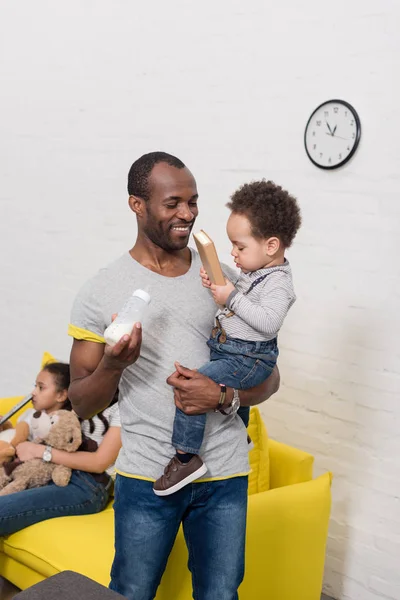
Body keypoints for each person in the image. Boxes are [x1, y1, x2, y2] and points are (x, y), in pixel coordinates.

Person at [68, 151, 280, 600]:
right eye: (173, 203)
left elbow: (270, 376)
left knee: (221, 594)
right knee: (131, 591)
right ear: (137, 205)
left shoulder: (221, 277)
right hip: (147, 476)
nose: (187, 213)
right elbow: (81, 403)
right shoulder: (100, 290)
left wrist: (222, 396)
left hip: (224, 473)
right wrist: (113, 364)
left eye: (193, 201)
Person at [155, 180, 301, 495]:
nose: (233, 253)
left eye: (240, 246)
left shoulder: (278, 284)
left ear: (271, 246)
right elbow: (238, 304)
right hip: (230, 350)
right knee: (219, 380)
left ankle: (185, 457)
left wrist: (231, 296)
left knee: (194, 388)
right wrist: (217, 284)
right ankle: (239, 430)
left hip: (248, 357)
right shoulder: (256, 271)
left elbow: (268, 321)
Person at [0, 362, 121, 536]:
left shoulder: (123, 408)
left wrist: (39, 452)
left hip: (87, 484)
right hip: (47, 470)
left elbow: (99, 463)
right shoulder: (81, 394)